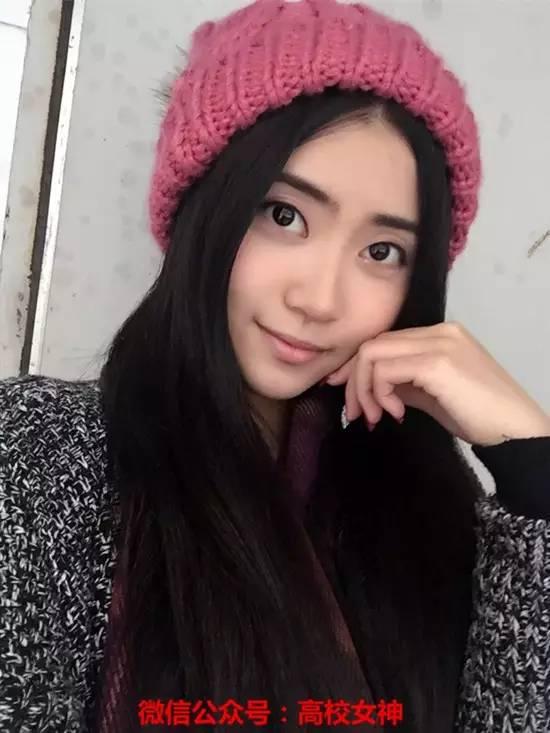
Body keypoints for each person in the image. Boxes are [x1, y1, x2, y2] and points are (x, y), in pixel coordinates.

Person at [1, 0, 549, 731]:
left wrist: (533, 467)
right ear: (206, 204)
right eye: (285, 215)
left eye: (381, 251)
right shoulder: (36, 455)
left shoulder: (426, 505)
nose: (319, 300)